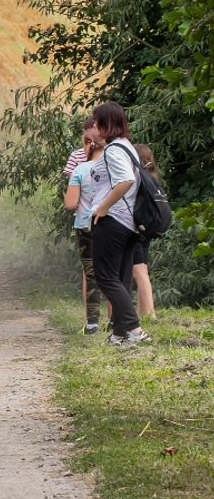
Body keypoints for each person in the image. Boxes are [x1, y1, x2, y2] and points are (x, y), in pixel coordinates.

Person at [88, 101, 150, 345]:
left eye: (96, 121)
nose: (93, 126)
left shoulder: (114, 150)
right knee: (120, 277)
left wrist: (102, 208)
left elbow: (125, 181)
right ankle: (119, 333)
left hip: (113, 220)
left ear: (106, 123)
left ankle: (134, 330)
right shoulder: (126, 147)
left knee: (105, 277)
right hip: (129, 223)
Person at [64, 117, 103, 334]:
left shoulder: (80, 169)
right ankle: (117, 318)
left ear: (88, 143)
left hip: (85, 224)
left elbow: (70, 203)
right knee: (112, 271)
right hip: (111, 223)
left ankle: (92, 323)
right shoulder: (115, 165)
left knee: (90, 272)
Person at [132, 143, 159, 321]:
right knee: (142, 268)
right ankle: (143, 312)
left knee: (138, 270)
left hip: (137, 227)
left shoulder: (138, 178)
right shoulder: (153, 178)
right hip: (148, 227)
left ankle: (150, 314)